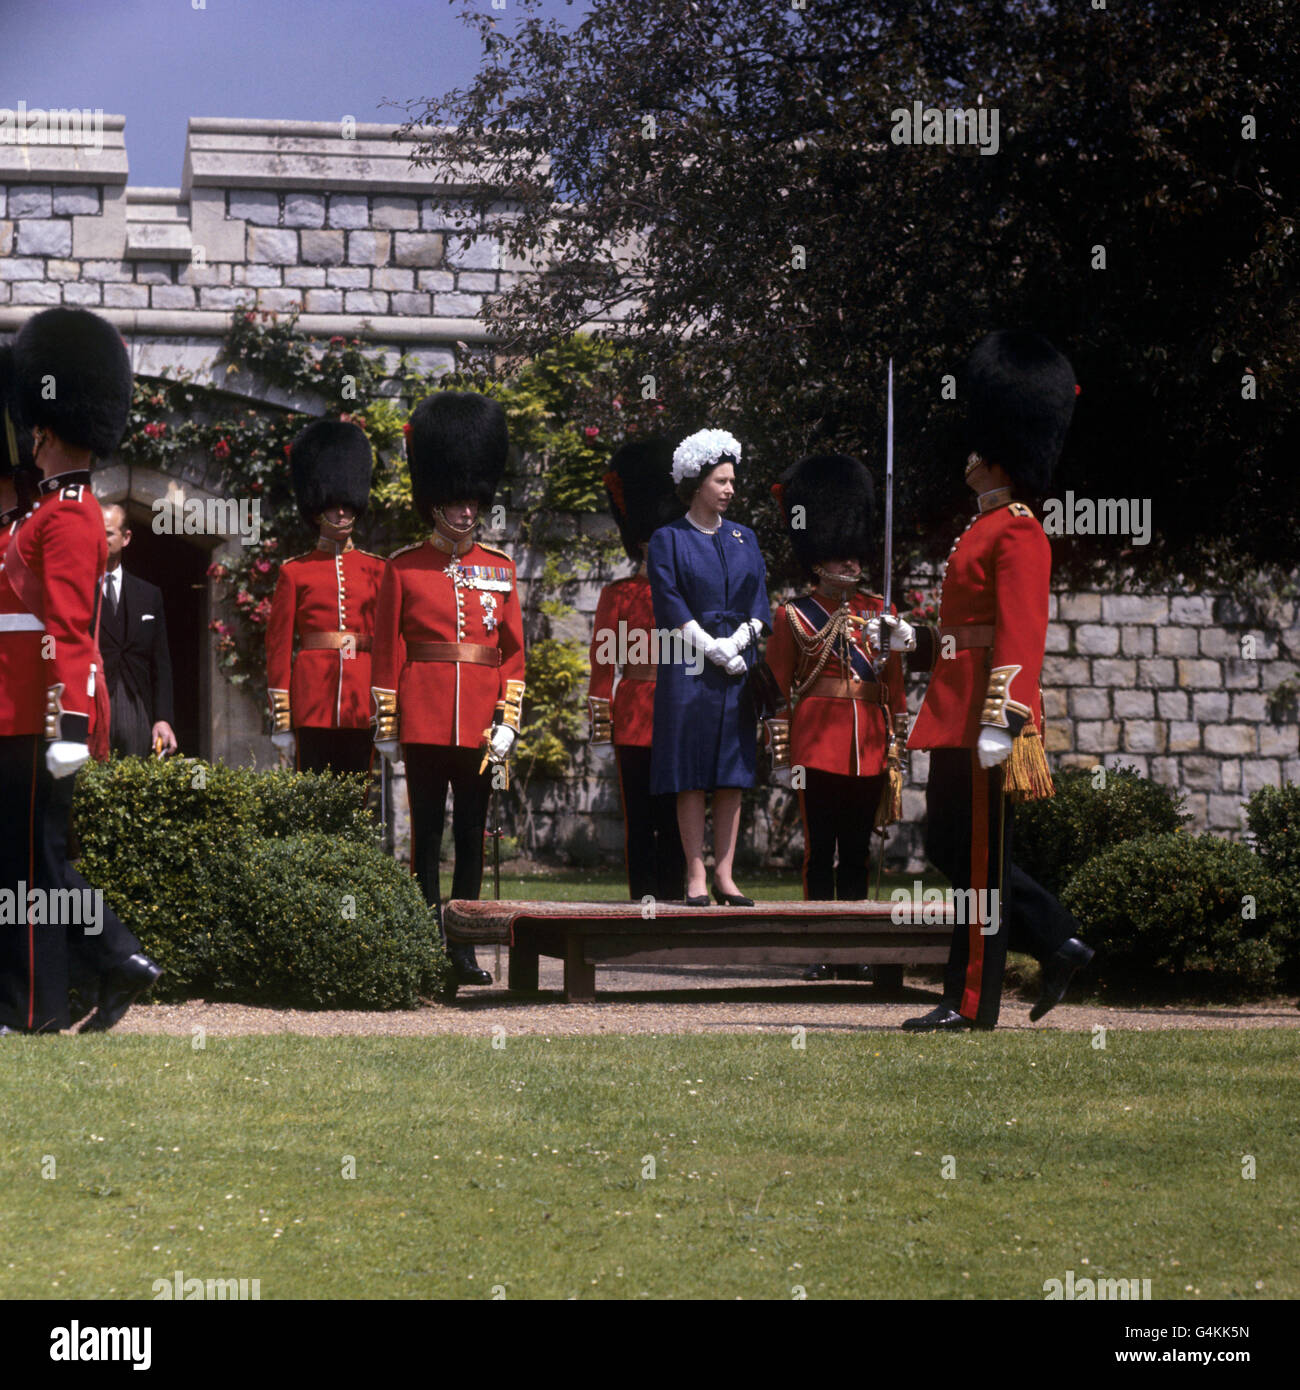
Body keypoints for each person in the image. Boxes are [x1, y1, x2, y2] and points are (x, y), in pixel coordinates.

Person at [876, 330, 1095, 1032]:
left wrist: (1007, 719)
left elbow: (1020, 634)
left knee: (975, 859)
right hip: (954, 710)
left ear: (1002, 455)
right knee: (953, 850)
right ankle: (1057, 936)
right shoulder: (980, 530)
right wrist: (914, 640)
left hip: (984, 719)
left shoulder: (1020, 532)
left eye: (978, 447)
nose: (966, 457)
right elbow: (965, 637)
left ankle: (969, 1002)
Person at [0, 308, 161, 1036]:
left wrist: (68, 724)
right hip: (29, 707)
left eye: (34, 427)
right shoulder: (59, 510)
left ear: (46, 428)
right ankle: (61, 992)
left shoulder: (66, 516)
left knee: (39, 867)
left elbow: (69, 628)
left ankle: (111, 961)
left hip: (41, 712)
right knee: (34, 864)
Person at [371, 392, 525, 987]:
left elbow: (512, 653)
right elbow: (388, 653)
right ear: (434, 503)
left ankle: (462, 947)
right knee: (427, 835)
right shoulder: (402, 567)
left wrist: (509, 717)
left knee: (471, 837)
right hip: (425, 721)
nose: (466, 513)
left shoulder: (500, 568)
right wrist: (389, 725)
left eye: (472, 502)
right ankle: (420, 941)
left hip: (483, 723)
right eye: (456, 503)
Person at [762, 453, 908, 978]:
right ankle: (819, 950)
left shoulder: (880, 613)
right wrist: (781, 753)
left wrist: (897, 746)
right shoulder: (794, 615)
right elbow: (778, 690)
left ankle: (856, 949)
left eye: (854, 555)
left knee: (859, 855)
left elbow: (893, 688)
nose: (852, 563)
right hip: (816, 747)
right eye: (841, 556)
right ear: (819, 559)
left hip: (868, 746)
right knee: (818, 853)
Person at [647, 429, 771, 906]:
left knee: (731, 772)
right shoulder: (668, 539)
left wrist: (739, 640)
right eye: (721, 480)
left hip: (738, 666)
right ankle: (695, 877)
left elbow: (758, 598)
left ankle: (726, 876)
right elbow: (669, 600)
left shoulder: (745, 537)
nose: (730, 489)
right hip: (688, 666)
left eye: (732, 480)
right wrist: (709, 646)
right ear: (698, 483)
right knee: (691, 773)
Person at [587, 438, 686, 902]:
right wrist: (601, 730)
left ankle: (674, 903)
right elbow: (603, 668)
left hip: (681, 714)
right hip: (632, 719)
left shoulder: (692, 595)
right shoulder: (619, 594)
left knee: (677, 819)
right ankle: (641, 905)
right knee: (641, 821)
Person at [266, 419, 385, 776]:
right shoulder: (295, 571)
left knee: (356, 800)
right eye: (334, 506)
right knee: (312, 801)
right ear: (318, 510)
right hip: (312, 701)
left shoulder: (378, 570)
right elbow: (278, 648)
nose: (343, 512)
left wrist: (389, 709)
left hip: (361, 699)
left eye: (348, 505)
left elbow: (390, 644)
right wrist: (283, 716)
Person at [98, 503, 177, 758]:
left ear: (126, 538)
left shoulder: (149, 595)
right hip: (93, 707)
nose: (101, 539)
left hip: (138, 709)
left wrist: (163, 718)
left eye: (108, 533)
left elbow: (161, 665)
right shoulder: (76, 591)